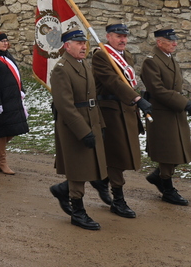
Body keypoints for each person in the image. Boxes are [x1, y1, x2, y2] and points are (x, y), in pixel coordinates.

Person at [91, 23, 152, 218]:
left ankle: (100, 180)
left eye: (125, 36)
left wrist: (138, 97)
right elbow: (112, 81)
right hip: (110, 112)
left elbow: (127, 81)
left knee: (126, 154)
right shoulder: (101, 55)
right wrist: (136, 98)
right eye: (118, 36)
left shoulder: (127, 56)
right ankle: (118, 199)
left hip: (127, 110)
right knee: (117, 155)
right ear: (108, 37)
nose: (123, 40)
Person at [48, 30, 107, 231]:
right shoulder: (62, 69)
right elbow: (65, 105)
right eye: (79, 43)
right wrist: (83, 131)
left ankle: (62, 190)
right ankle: (78, 212)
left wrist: (100, 125)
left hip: (90, 120)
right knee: (78, 168)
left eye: (85, 43)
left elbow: (92, 98)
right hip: (73, 127)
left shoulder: (83, 64)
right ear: (67, 45)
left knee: (89, 166)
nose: (84, 46)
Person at [142, 28, 191, 206]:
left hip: (174, 111)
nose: (175, 43)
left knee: (180, 148)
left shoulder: (170, 59)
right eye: (170, 40)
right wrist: (183, 102)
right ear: (159, 42)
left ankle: (158, 176)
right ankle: (167, 188)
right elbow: (157, 90)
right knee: (167, 151)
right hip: (161, 112)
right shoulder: (151, 62)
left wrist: (182, 103)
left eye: (175, 40)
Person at [0, 31, 29, 175]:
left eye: (6, 41)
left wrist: (21, 89)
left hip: (12, 98)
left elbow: (16, 75)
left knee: (15, 127)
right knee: (2, 131)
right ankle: (2, 162)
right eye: (2, 41)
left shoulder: (7, 56)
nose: (5, 43)